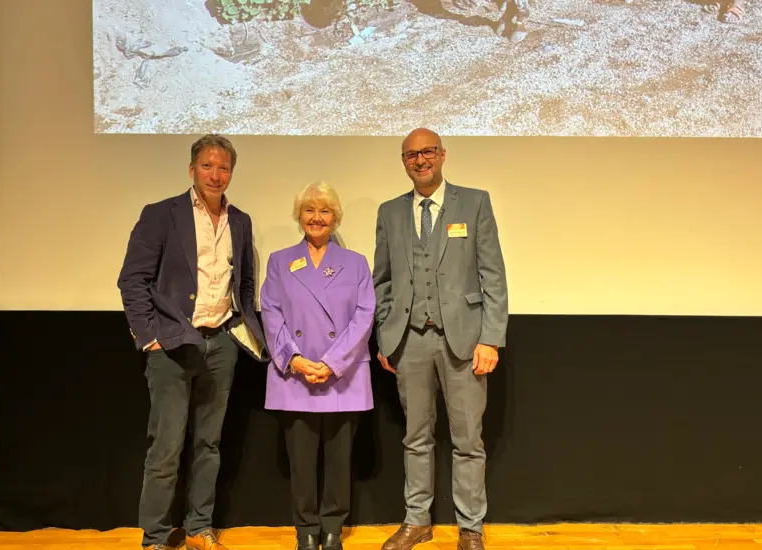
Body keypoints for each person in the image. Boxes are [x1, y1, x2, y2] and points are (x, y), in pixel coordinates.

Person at [117, 134, 267, 550]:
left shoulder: (240, 220)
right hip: (172, 346)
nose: (215, 175)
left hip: (221, 344)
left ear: (231, 173)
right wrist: (148, 337)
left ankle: (199, 527)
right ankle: (156, 536)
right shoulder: (161, 214)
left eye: (223, 168)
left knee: (209, 444)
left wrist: (247, 329)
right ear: (191, 169)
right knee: (165, 448)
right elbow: (133, 280)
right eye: (207, 166)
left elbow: (246, 283)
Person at [372, 129, 508, 550]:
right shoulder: (390, 212)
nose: (420, 160)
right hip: (410, 341)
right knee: (416, 437)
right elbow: (382, 281)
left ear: (443, 155)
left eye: (427, 151)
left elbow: (493, 276)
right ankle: (417, 521)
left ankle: (470, 527)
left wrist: (491, 338)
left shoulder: (475, 201)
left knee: (468, 440)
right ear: (403, 161)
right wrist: (386, 335)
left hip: (465, 340)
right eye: (411, 154)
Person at [259, 182, 376, 550]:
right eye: (309, 210)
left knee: (340, 460)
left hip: (343, 374)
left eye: (325, 211)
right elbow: (271, 312)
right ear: (299, 216)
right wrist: (294, 359)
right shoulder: (279, 261)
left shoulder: (355, 263)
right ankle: (306, 530)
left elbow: (364, 315)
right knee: (301, 461)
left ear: (335, 218)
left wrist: (330, 362)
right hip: (296, 375)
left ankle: (332, 528)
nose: (317, 217)